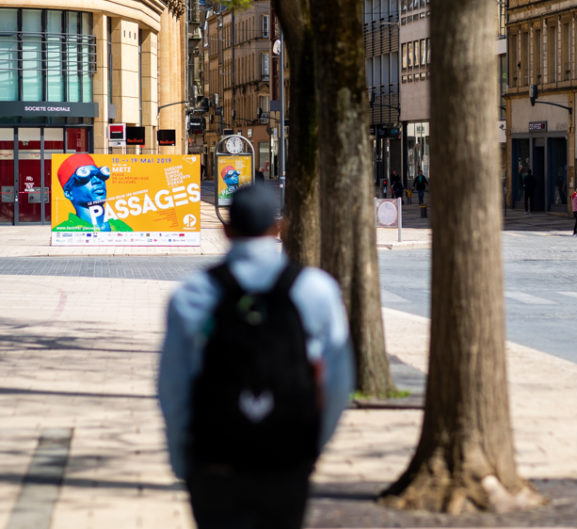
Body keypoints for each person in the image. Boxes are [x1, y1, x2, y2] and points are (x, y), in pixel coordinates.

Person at [158, 184, 354, 529]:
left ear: (226, 230)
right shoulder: (316, 289)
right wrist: (312, 447)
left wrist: (181, 459)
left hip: (215, 460)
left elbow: (173, 386)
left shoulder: (193, 293)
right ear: (279, 228)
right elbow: (339, 382)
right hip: (286, 459)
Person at [54, 153, 132, 232]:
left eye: (99, 175)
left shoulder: (122, 227)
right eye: (86, 178)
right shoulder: (63, 231)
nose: (97, 181)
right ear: (69, 193)